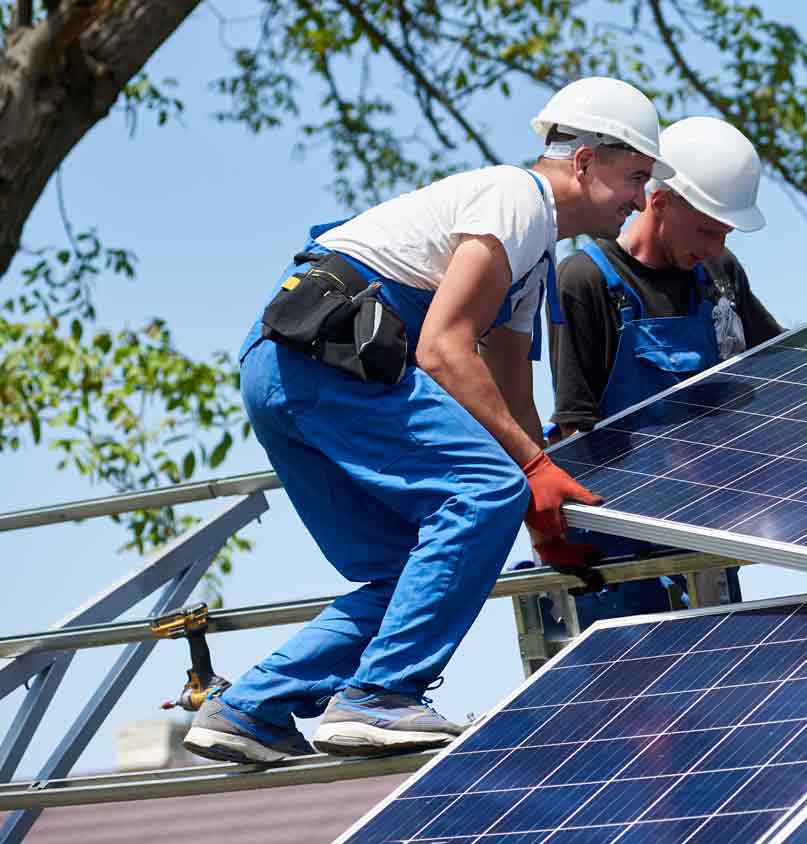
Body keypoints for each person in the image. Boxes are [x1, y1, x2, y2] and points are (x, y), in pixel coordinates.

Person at [183, 77, 672, 765]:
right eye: (635, 176)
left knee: (411, 573)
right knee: (480, 494)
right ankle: (381, 694)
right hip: (335, 363)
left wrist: (541, 511)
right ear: (585, 161)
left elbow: (508, 387)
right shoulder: (516, 201)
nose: (637, 197)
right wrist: (526, 475)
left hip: (285, 369)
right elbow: (444, 349)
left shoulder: (531, 256)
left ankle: (249, 709)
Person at [543, 116, 780, 628]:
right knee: (637, 697)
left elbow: (784, 367)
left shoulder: (720, 275)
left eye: (726, 234)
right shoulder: (585, 280)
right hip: (621, 552)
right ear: (660, 202)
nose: (716, 248)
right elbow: (574, 430)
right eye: (707, 230)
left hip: (707, 526)